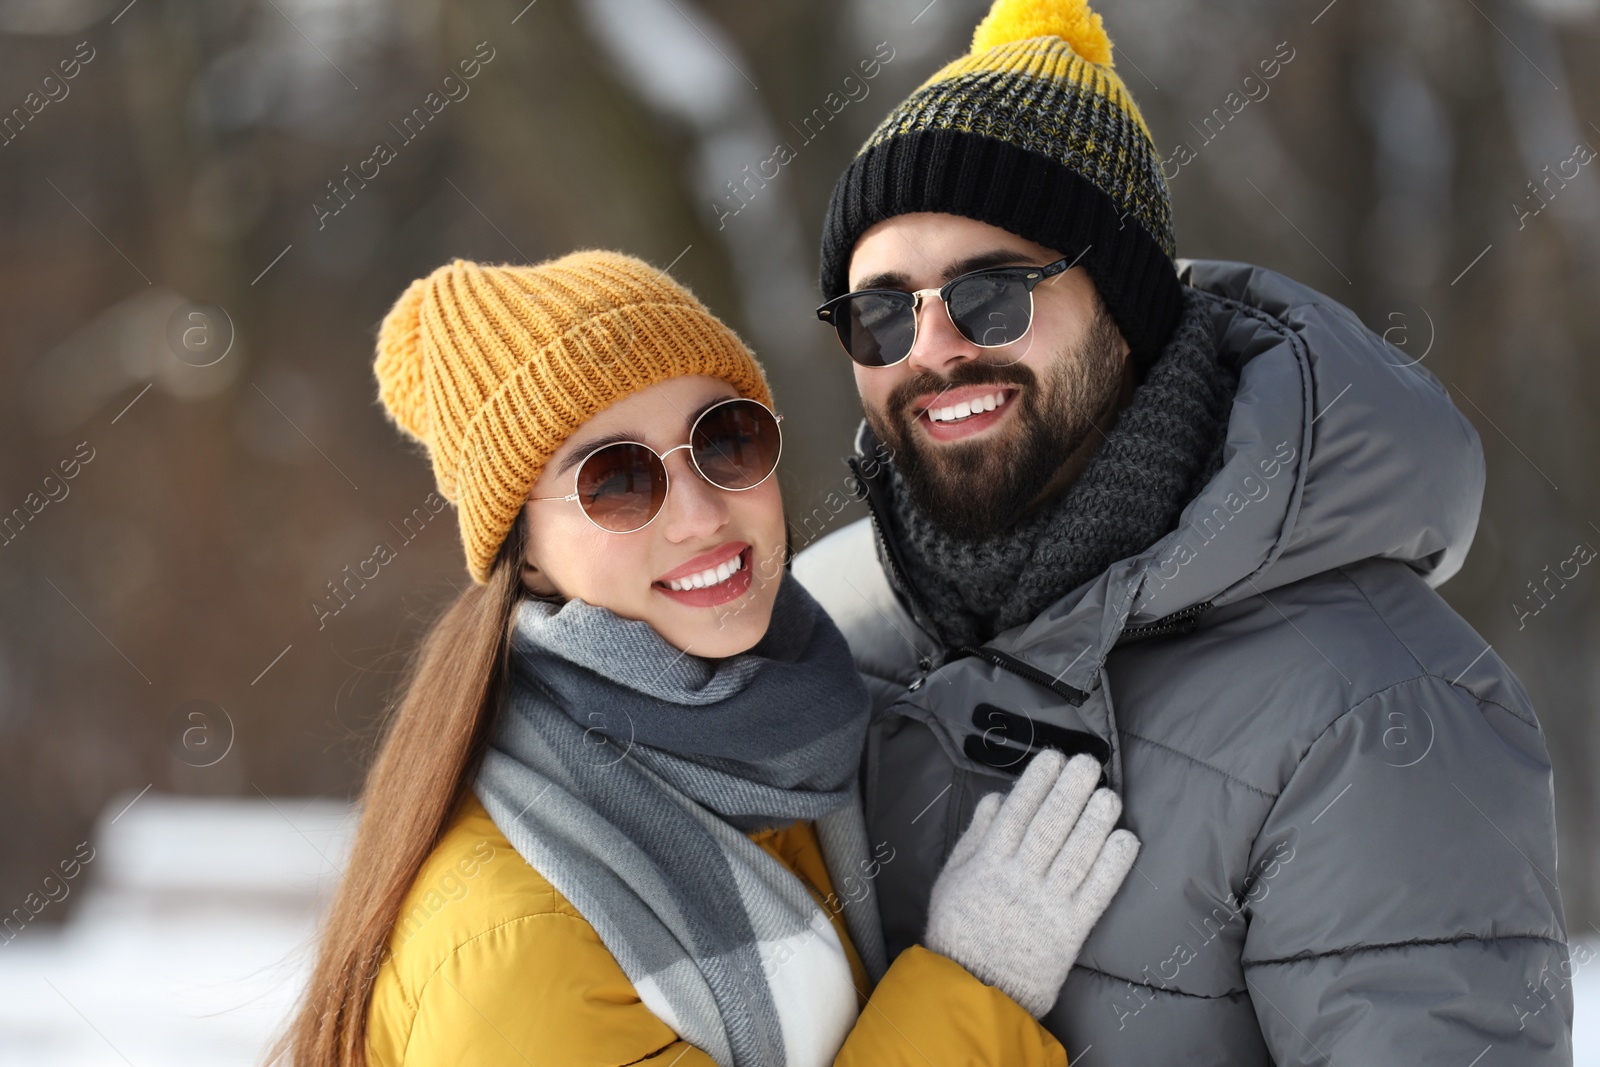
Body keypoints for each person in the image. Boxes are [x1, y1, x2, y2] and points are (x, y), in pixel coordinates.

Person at [792, 0, 1573, 1062]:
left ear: (1126, 305)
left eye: (991, 293)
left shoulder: (1378, 712)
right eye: (881, 311)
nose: (932, 348)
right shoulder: (824, 643)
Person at [272, 251, 1139, 1067]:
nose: (699, 514)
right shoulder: (514, 943)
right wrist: (975, 988)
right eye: (615, 480)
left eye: (725, 439)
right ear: (526, 553)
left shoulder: (789, 732)